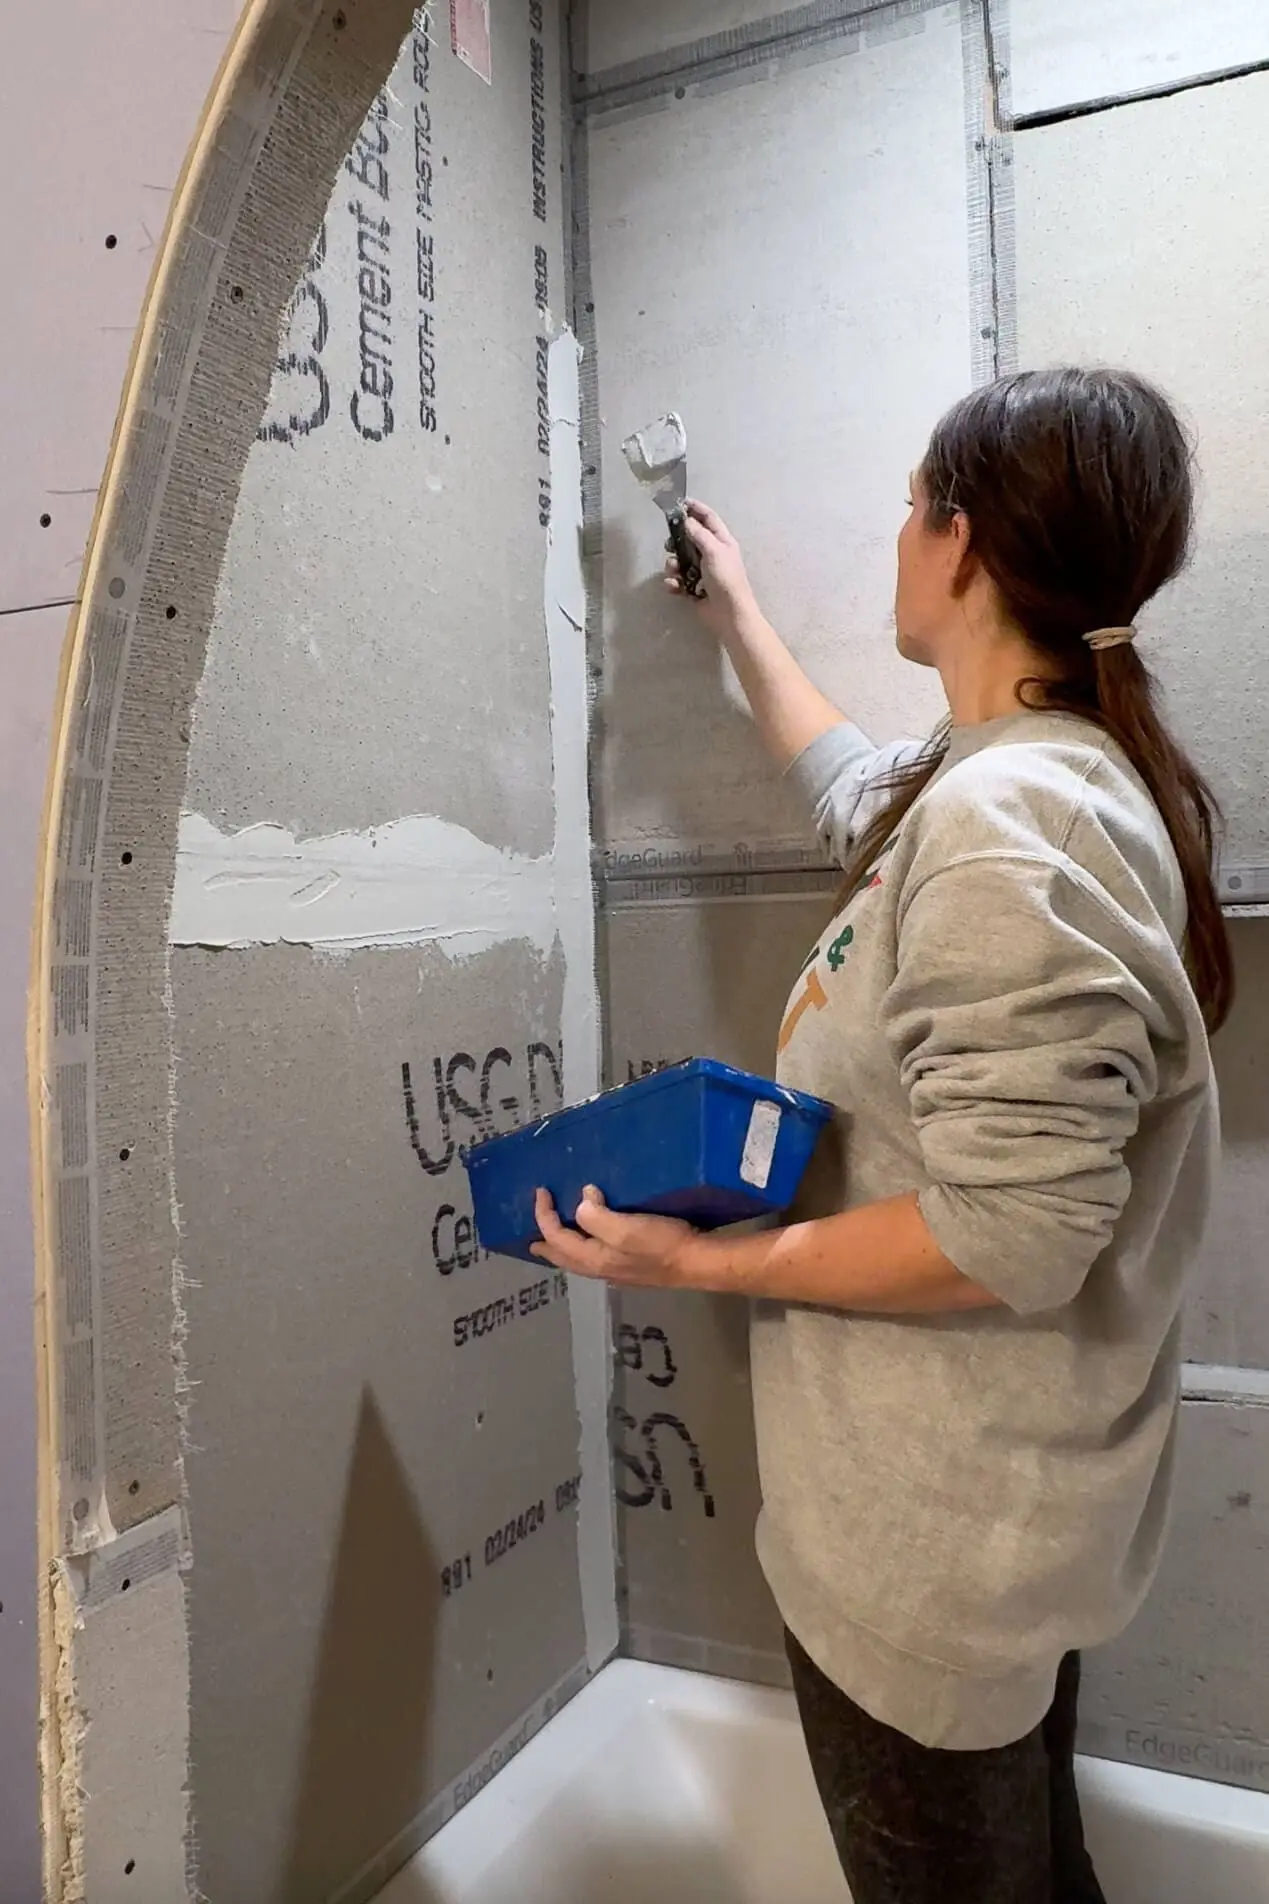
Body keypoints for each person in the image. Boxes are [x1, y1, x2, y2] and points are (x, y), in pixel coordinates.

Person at [532, 366, 1231, 1904]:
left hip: (933, 1551)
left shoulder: (1012, 823)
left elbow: (1012, 1236)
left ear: (963, 542)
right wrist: (739, 620)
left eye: (916, 503)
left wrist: (695, 1264)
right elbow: (873, 804)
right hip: (990, 1528)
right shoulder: (1021, 785)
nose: (897, 532)